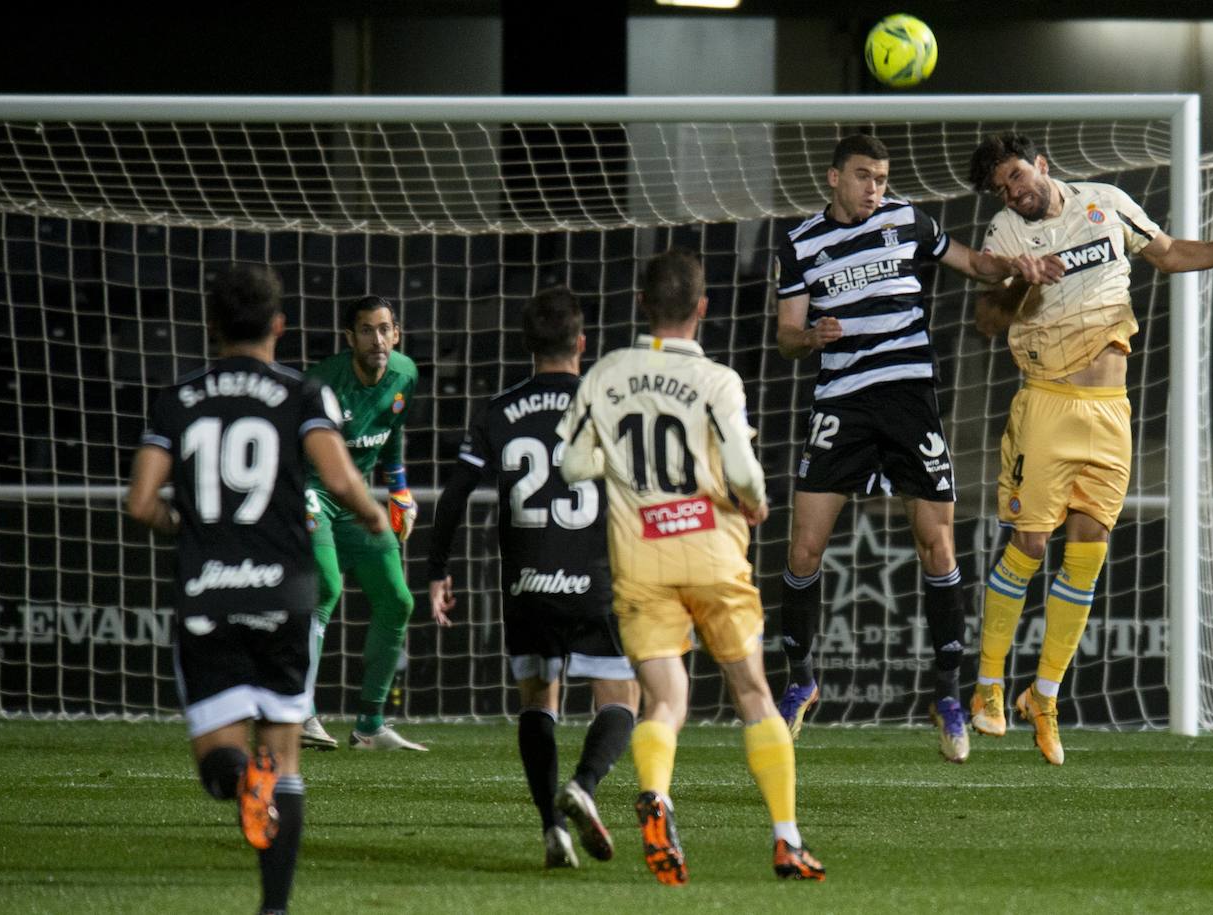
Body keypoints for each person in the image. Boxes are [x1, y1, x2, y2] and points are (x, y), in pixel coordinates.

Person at [965, 132, 1213, 765]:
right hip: (1047, 403)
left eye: (1016, 176)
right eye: (1001, 188)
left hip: (1111, 410)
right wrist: (1019, 282)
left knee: (1088, 548)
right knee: (1029, 544)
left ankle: (1044, 696)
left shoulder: (1106, 203)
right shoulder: (1004, 234)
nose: (1012, 192)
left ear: (1040, 164)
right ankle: (988, 685)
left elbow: (1168, 254)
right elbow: (987, 319)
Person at [773, 133, 1061, 763]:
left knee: (938, 545)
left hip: (909, 402)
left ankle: (948, 695)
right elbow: (787, 335)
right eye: (863, 176)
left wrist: (1018, 266)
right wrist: (812, 337)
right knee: (803, 548)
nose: (875, 189)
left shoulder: (907, 220)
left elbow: (975, 264)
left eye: (881, 178)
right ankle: (801, 681)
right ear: (834, 178)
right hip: (842, 404)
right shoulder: (800, 243)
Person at [126, 263, 388, 915]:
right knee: (285, 758)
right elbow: (341, 478)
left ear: (213, 325)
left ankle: (243, 777)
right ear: (279, 324)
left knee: (220, 764)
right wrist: (373, 514)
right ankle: (274, 906)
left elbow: (140, 502)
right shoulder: (302, 393)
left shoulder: (179, 397)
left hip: (208, 594)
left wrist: (186, 525)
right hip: (283, 593)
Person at [558, 248, 825, 885]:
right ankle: (787, 839)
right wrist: (755, 501)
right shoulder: (717, 380)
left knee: (664, 699)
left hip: (641, 558)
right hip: (712, 554)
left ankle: (657, 794)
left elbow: (570, 465)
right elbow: (742, 470)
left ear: (642, 305)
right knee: (753, 693)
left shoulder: (606, 374)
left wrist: (619, 466)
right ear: (702, 307)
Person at [427, 286, 640, 869]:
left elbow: (454, 496)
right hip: (593, 579)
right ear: (581, 342)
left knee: (537, 701)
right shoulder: (609, 404)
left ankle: (552, 829)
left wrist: (437, 570)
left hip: (525, 583)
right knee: (622, 696)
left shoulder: (499, 410)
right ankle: (585, 785)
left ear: (527, 344)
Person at [300, 295, 426, 751]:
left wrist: (399, 490)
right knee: (326, 586)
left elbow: (392, 434)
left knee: (398, 601)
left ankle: (370, 725)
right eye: (367, 331)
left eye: (385, 329)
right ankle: (299, 714)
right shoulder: (322, 384)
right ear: (349, 338)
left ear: (397, 334)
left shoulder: (405, 374)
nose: (378, 340)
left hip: (355, 497)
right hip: (310, 489)